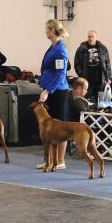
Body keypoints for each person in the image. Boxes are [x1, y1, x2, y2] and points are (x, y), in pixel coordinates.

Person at [37, 19, 71, 170]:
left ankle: (60, 161)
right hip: (50, 91)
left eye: (47, 29)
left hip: (58, 92)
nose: (45, 31)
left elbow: (60, 74)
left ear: (52, 30)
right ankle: (50, 161)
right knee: (50, 129)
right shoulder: (53, 47)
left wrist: (47, 90)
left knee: (60, 128)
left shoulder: (60, 50)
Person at [73, 29, 110, 104]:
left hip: (99, 78)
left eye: (92, 36)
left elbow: (107, 63)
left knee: (99, 100)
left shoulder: (103, 48)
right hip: (87, 78)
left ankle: (98, 110)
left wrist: (108, 77)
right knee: (87, 98)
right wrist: (81, 74)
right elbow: (77, 63)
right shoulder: (81, 49)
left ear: (96, 37)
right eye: (89, 37)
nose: (90, 38)